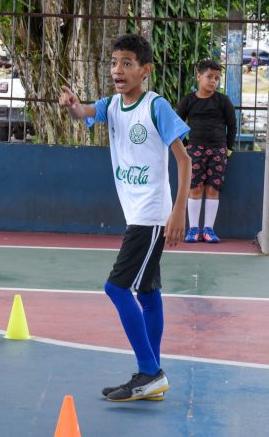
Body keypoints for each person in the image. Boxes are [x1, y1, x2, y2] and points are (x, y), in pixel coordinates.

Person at [59, 34, 191, 401]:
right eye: (114, 62)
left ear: (145, 70)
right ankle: (152, 375)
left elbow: (184, 159)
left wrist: (178, 210)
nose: (118, 69)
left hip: (151, 216)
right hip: (137, 213)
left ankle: (150, 371)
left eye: (127, 63)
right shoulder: (113, 105)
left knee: (116, 288)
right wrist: (72, 105)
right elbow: (85, 112)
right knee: (147, 292)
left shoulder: (156, 106)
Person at [176, 60, 237, 243]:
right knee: (194, 188)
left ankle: (208, 230)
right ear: (199, 76)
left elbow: (232, 125)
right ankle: (193, 229)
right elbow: (178, 125)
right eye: (209, 77)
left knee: (213, 189)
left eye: (217, 78)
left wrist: (229, 148)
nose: (213, 81)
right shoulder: (188, 100)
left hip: (218, 150)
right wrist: (185, 146)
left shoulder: (223, 101)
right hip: (194, 150)